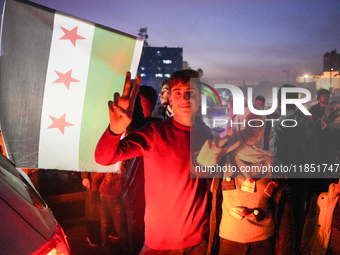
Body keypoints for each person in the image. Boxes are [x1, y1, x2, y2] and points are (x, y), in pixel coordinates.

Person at [95, 70, 213, 254]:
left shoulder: (205, 134)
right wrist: (114, 131)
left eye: (191, 92)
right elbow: (104, 158)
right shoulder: (155, 132)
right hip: (160, 244)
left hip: (199, 241)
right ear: (171, 99)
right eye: (178, 93)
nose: (185, 98)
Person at [194, 107, 294, 255]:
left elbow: (283, 205)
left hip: (263, 242)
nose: (254, 128)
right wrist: (199, 163)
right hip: (228, 242)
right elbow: (199, 173)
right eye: (249, 122)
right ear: (239, 124)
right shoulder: (223, 157)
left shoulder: (272, 162)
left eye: (260, 124)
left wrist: (284, 247)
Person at [92, 168, 129, 254]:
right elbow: (96, 178)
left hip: (117, 200)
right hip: (104, 198)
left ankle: (126, 249)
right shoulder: (109, 165)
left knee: (120, 228)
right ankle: (106, 246)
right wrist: (95, 193)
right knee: (104, 225)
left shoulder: (125, 168)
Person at [81, 172, 102, 247]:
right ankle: (104, 237)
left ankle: (95, 239)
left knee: (93, 210)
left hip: (95, 178)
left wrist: (85, 177)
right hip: (106, 176)